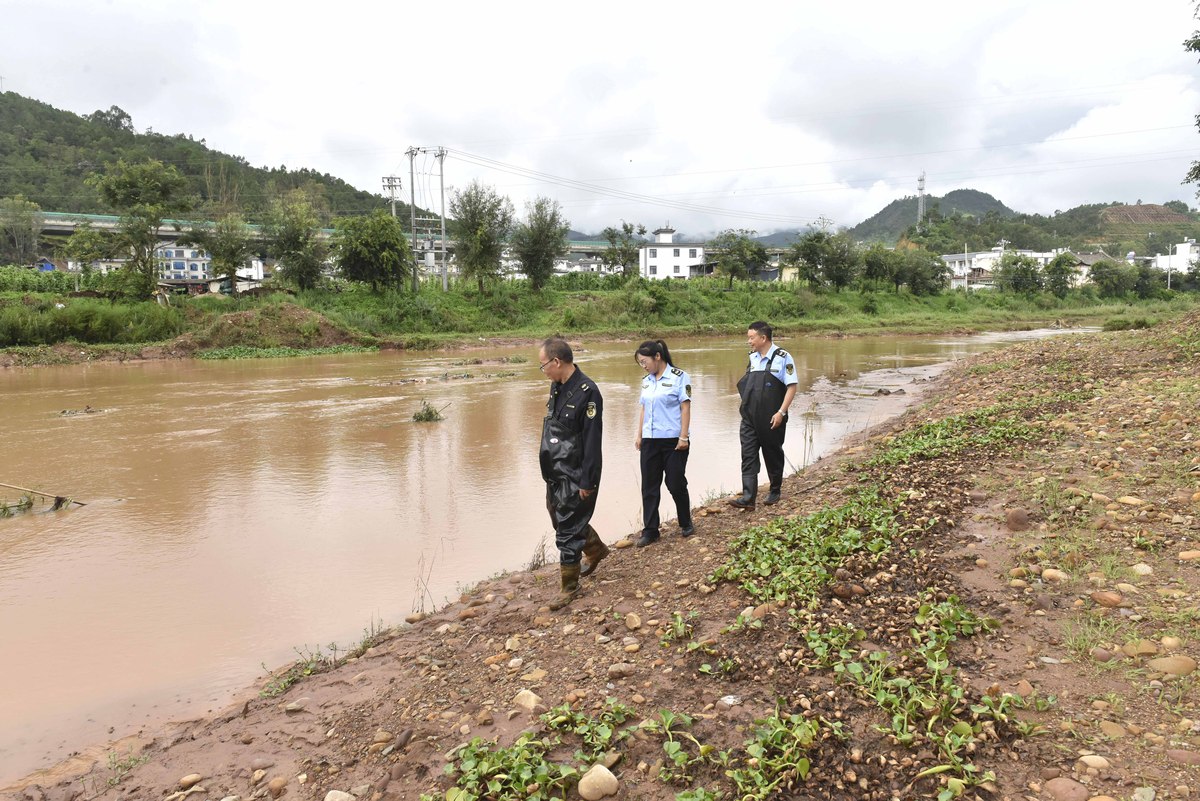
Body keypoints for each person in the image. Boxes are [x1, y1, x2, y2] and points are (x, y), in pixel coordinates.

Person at [538, 336, 607, 610]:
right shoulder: (557, 387)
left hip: (577, 470)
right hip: (555, 469)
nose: (542, 371)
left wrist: (587, 480)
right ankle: (595, 548)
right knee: (558, 516)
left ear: (556, 362)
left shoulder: (588, 392)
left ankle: (569, 586)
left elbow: (592, 440)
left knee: (567, 528)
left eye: (543, 365)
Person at [731, 321, 798, 508]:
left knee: (772, 454)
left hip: (772, 417)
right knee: (748, 455)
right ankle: (748, 497)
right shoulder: (752, 358)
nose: (749, 341)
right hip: (749, 417)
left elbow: (792, 387)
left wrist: (781, 413)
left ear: (763, 338)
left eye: (751, 337)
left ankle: (775, 490)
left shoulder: (783, 357)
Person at [633, 340, 693, 548]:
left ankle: (685, 521)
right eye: (640, 363)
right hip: (650, 440)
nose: (643, 366)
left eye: (645, 361)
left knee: (675, 482)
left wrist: (683, 437)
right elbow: (643, 409)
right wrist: (639, 434)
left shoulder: (679, 377)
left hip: (673, 440)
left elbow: (685, 407)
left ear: (657, 356)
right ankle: (650, 530)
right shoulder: (646, 381)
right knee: (649, 486)